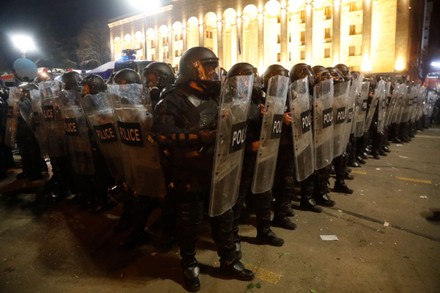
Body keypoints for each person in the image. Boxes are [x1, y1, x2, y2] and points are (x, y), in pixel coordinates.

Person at [153, 47, 254, 292]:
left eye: (214, 66)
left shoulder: (217, 95)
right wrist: (197, 136)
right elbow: (162, 135)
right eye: (208, 67)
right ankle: (188, 263)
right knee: (190, 220)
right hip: (189, 171)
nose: (213, 72)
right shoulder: (173, 99)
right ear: (192, 68)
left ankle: (229, 260)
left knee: (224, 216)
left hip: (218, 167)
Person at [231, 62, 285, 248]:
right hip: (241, 160)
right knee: (237, 200)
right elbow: (225, 137)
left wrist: (267, 116)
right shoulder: (230, 102)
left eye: (254, 77)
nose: (253, 82)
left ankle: (264, 231)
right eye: (248, 78)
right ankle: (232, 237)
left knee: (264, 194)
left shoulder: (260, 100)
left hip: (261, 156)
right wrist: (247, 147)